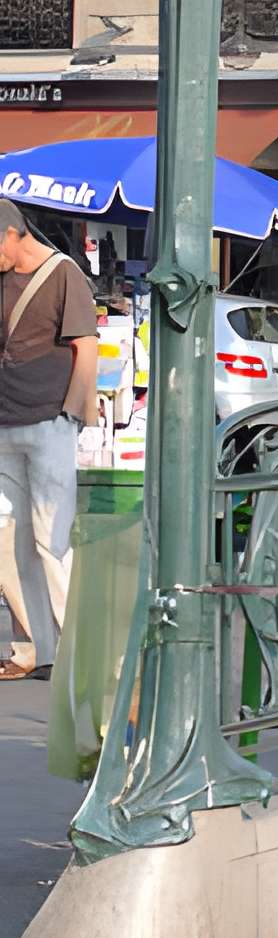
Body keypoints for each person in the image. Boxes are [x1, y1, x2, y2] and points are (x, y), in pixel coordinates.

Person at [0, 200, 99, 681]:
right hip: (4, 423)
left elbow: (85, 347)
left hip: (48, 422)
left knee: (50, 539)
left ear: (14, 233)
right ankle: (36, 649)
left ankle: (77, 648)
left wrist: (73, 413)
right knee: (9, 543)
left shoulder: (64, 273)